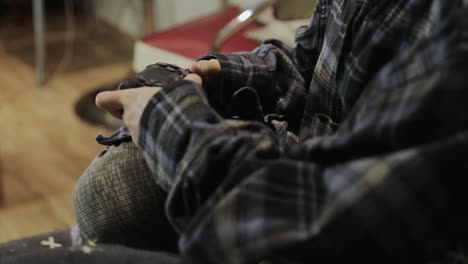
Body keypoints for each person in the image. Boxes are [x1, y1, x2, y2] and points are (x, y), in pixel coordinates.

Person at [70, 0, 468, 263]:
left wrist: (167, 121)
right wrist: (229, 76)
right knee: (111, 190)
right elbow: (315, 68)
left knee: (115, 200)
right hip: (313, 175)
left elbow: (299, 220)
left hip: (332, 222)